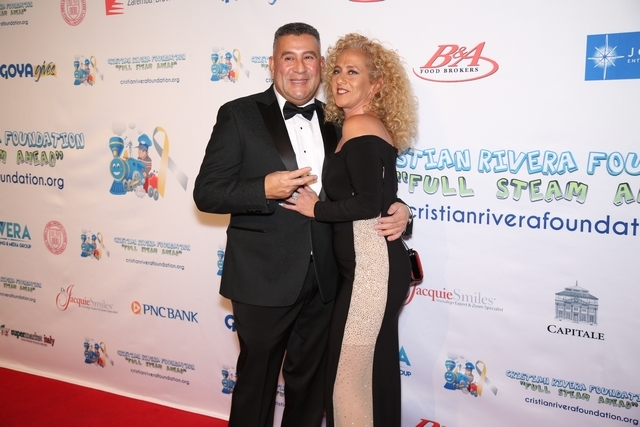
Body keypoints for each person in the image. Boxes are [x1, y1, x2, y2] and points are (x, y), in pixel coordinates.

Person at [193, 23, 411, 427]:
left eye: (308, 57)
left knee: (310, 389)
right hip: (263, 278)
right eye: (288, 57)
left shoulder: (338, 119)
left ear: (321, 64)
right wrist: (263, 187)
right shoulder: (239, 114)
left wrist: (401, 209)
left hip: (328, 281)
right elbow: (206, 192)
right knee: (256, 386)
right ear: (272, 63)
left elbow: (365, 186)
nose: (298, 68)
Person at [281, 33, 419, 426]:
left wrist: (316, 208)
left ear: (376, 85)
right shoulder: (357, 125)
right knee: (368, 374)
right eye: (338, 70)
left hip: (371, 270)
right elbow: (381, 197)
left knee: (349, 380)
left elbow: (367, 204)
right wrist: (403, 209)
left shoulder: (359, 126)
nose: (341, 78)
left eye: (353, 72)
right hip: (364, 270)